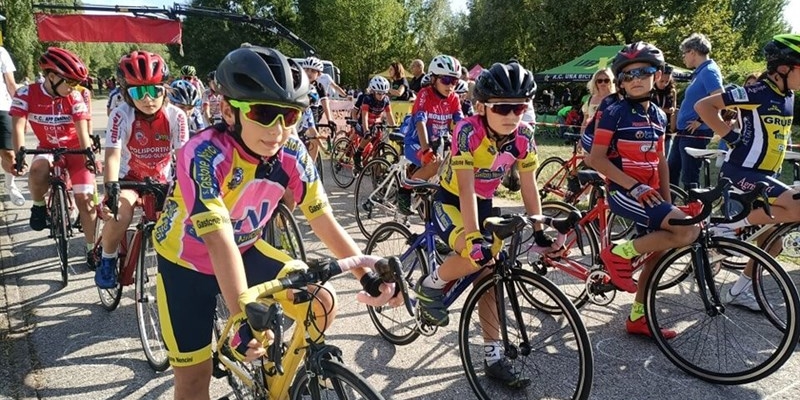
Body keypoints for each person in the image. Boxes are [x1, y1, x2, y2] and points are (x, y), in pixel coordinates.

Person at [152, 46, 397, 398]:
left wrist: (368, 276)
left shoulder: (292, 152)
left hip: (247, 250)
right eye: (264, 113)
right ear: (227, 111)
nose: (278, 129)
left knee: (321, 301)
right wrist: (240, 318)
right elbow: (219, 241)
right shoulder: (204, 153)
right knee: (194, 379)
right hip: (186, 263)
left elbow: (323, 219)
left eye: (290, 116)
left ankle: (274, 380)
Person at [415, 61, 550, 387]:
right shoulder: (467, 131)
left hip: (484, 201)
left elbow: (529, 184)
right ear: (481, 107)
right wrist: (474, 238)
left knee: (490, 274)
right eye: (503, 107)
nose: (512, 115)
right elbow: (464, 189)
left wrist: (540, 227)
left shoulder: (524, 136)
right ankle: (430, 285)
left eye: (519, 107)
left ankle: (493, 357)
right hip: (451, 200)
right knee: (477, 252)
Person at [587, 42, 700, 338]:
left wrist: (667, 199)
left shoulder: (660, 116)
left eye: (644, 72)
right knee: (688, 231)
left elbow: (661, 159)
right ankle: (619, 253)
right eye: (627, 75)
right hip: (624, 192)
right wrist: (634, 187)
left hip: (650, 193)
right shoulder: (615, 111)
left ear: (657, 74)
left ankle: (638, 318)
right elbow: (594, 158)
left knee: (659, 252)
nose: (635, 79)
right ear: (620, 81)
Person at [695, 34, 800, 310]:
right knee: (797, 207)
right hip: (741, 171)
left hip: (765, 175)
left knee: (773, 243)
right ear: (783, 68)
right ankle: (724, 227)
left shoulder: (788, 96)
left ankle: (738, 290)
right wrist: (730, 137)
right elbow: (704, 107)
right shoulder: (758, 92)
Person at [96, 51, 189, 289]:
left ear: (165, 89)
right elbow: (113, 155)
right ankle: (107, 260)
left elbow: (184, 157)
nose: (148, 98)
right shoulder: (120, 115)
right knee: (122, 213)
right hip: (129, 179)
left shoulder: (176, 116)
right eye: (138, 92)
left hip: (162, 179)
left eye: (155, 90)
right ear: (127, 94)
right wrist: (111, 187)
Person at [10, 47, 98, 268]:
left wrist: (88, 155)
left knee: (86, 202)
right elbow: (18, 128)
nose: (73, 87)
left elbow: (82, 130)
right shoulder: (25, 93)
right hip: (47, 146)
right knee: (37, 170)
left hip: (75, 148)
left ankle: (91, 249)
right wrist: (19, 154)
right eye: (69, 82)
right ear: (51, 77)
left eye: (76, 83)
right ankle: (39, 205)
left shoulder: (75, 96)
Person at [400, 55, 464, 214]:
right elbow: (420, 122)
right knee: (435, 165)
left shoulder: (454, 98)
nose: (451, 86)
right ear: (434, 78)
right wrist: (425, 149)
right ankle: (404, 190)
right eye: (446, 80)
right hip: (416, 141)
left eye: (454, 81)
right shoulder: (424, 94)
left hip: (438, 142)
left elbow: (462, 124)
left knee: (448, 167)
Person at [669, 33, 724, 190]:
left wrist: (700, 120)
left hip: (696, 132)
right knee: (672, 169)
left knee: (689, 176)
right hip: (684, 132)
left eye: (684, 53)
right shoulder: (700, 71)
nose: (683, 57)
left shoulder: (709, 71)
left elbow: (720, 98)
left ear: (693, 51)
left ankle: (695, 210)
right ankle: (671, 208)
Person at [353, 76, 396, 171]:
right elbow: (364, 116)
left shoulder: (386, 100)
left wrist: (394, 127)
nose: (381, 96)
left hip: (375, 123)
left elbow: (389, 114)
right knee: (368, 136)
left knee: (378, 142)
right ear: (373, 91)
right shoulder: (368, 99)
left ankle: (376, 171)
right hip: (364, 123)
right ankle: (358, 154)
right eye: (379, 93)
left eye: (383, 94)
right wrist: (366, 130)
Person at [0, 44, 23, 206]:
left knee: (9, 154)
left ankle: (10, 185)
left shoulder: (1, 52)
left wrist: (21, 110)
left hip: (2, 107)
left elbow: (11, 84)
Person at [581, 68, 615, 136]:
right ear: (595, 82)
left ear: (611, 81)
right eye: (600, 81)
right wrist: (582, 138)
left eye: (606, 80)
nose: (603, 83)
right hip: (590, 136)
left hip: (609, 135)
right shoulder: (590, 99)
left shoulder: (615, 98)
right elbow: (584, 122)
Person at [653, 64, 677, 153]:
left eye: (667, 81)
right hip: (652, 129)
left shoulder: (672, 91)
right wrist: (665, 110)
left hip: (667, 130)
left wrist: (672, 110)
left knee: (665, 157)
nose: (664, 84)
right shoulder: (650, 91)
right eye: (661, 81)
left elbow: (674, 109)